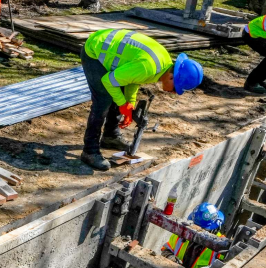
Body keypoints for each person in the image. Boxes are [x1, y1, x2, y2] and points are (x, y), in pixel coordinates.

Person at [79, 29, 204, 171]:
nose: (175, 93)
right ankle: (89, 151)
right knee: (103, 99)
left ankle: (110, 136)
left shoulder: (163, 65)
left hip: (108, 49)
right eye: (176, 89)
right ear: (171, 77)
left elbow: (133, 80)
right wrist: (122, 103)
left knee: (118, 91)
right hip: (94, 51)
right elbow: (108, 80)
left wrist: (129, 104)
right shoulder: (149, 68)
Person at [163, 203, 225, 268]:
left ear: (213, 227)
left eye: (202, 229)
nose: (197, 230)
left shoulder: (221, 245)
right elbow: (166, 249)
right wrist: (170, 257)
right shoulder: (182, 233)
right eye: (195, 226)